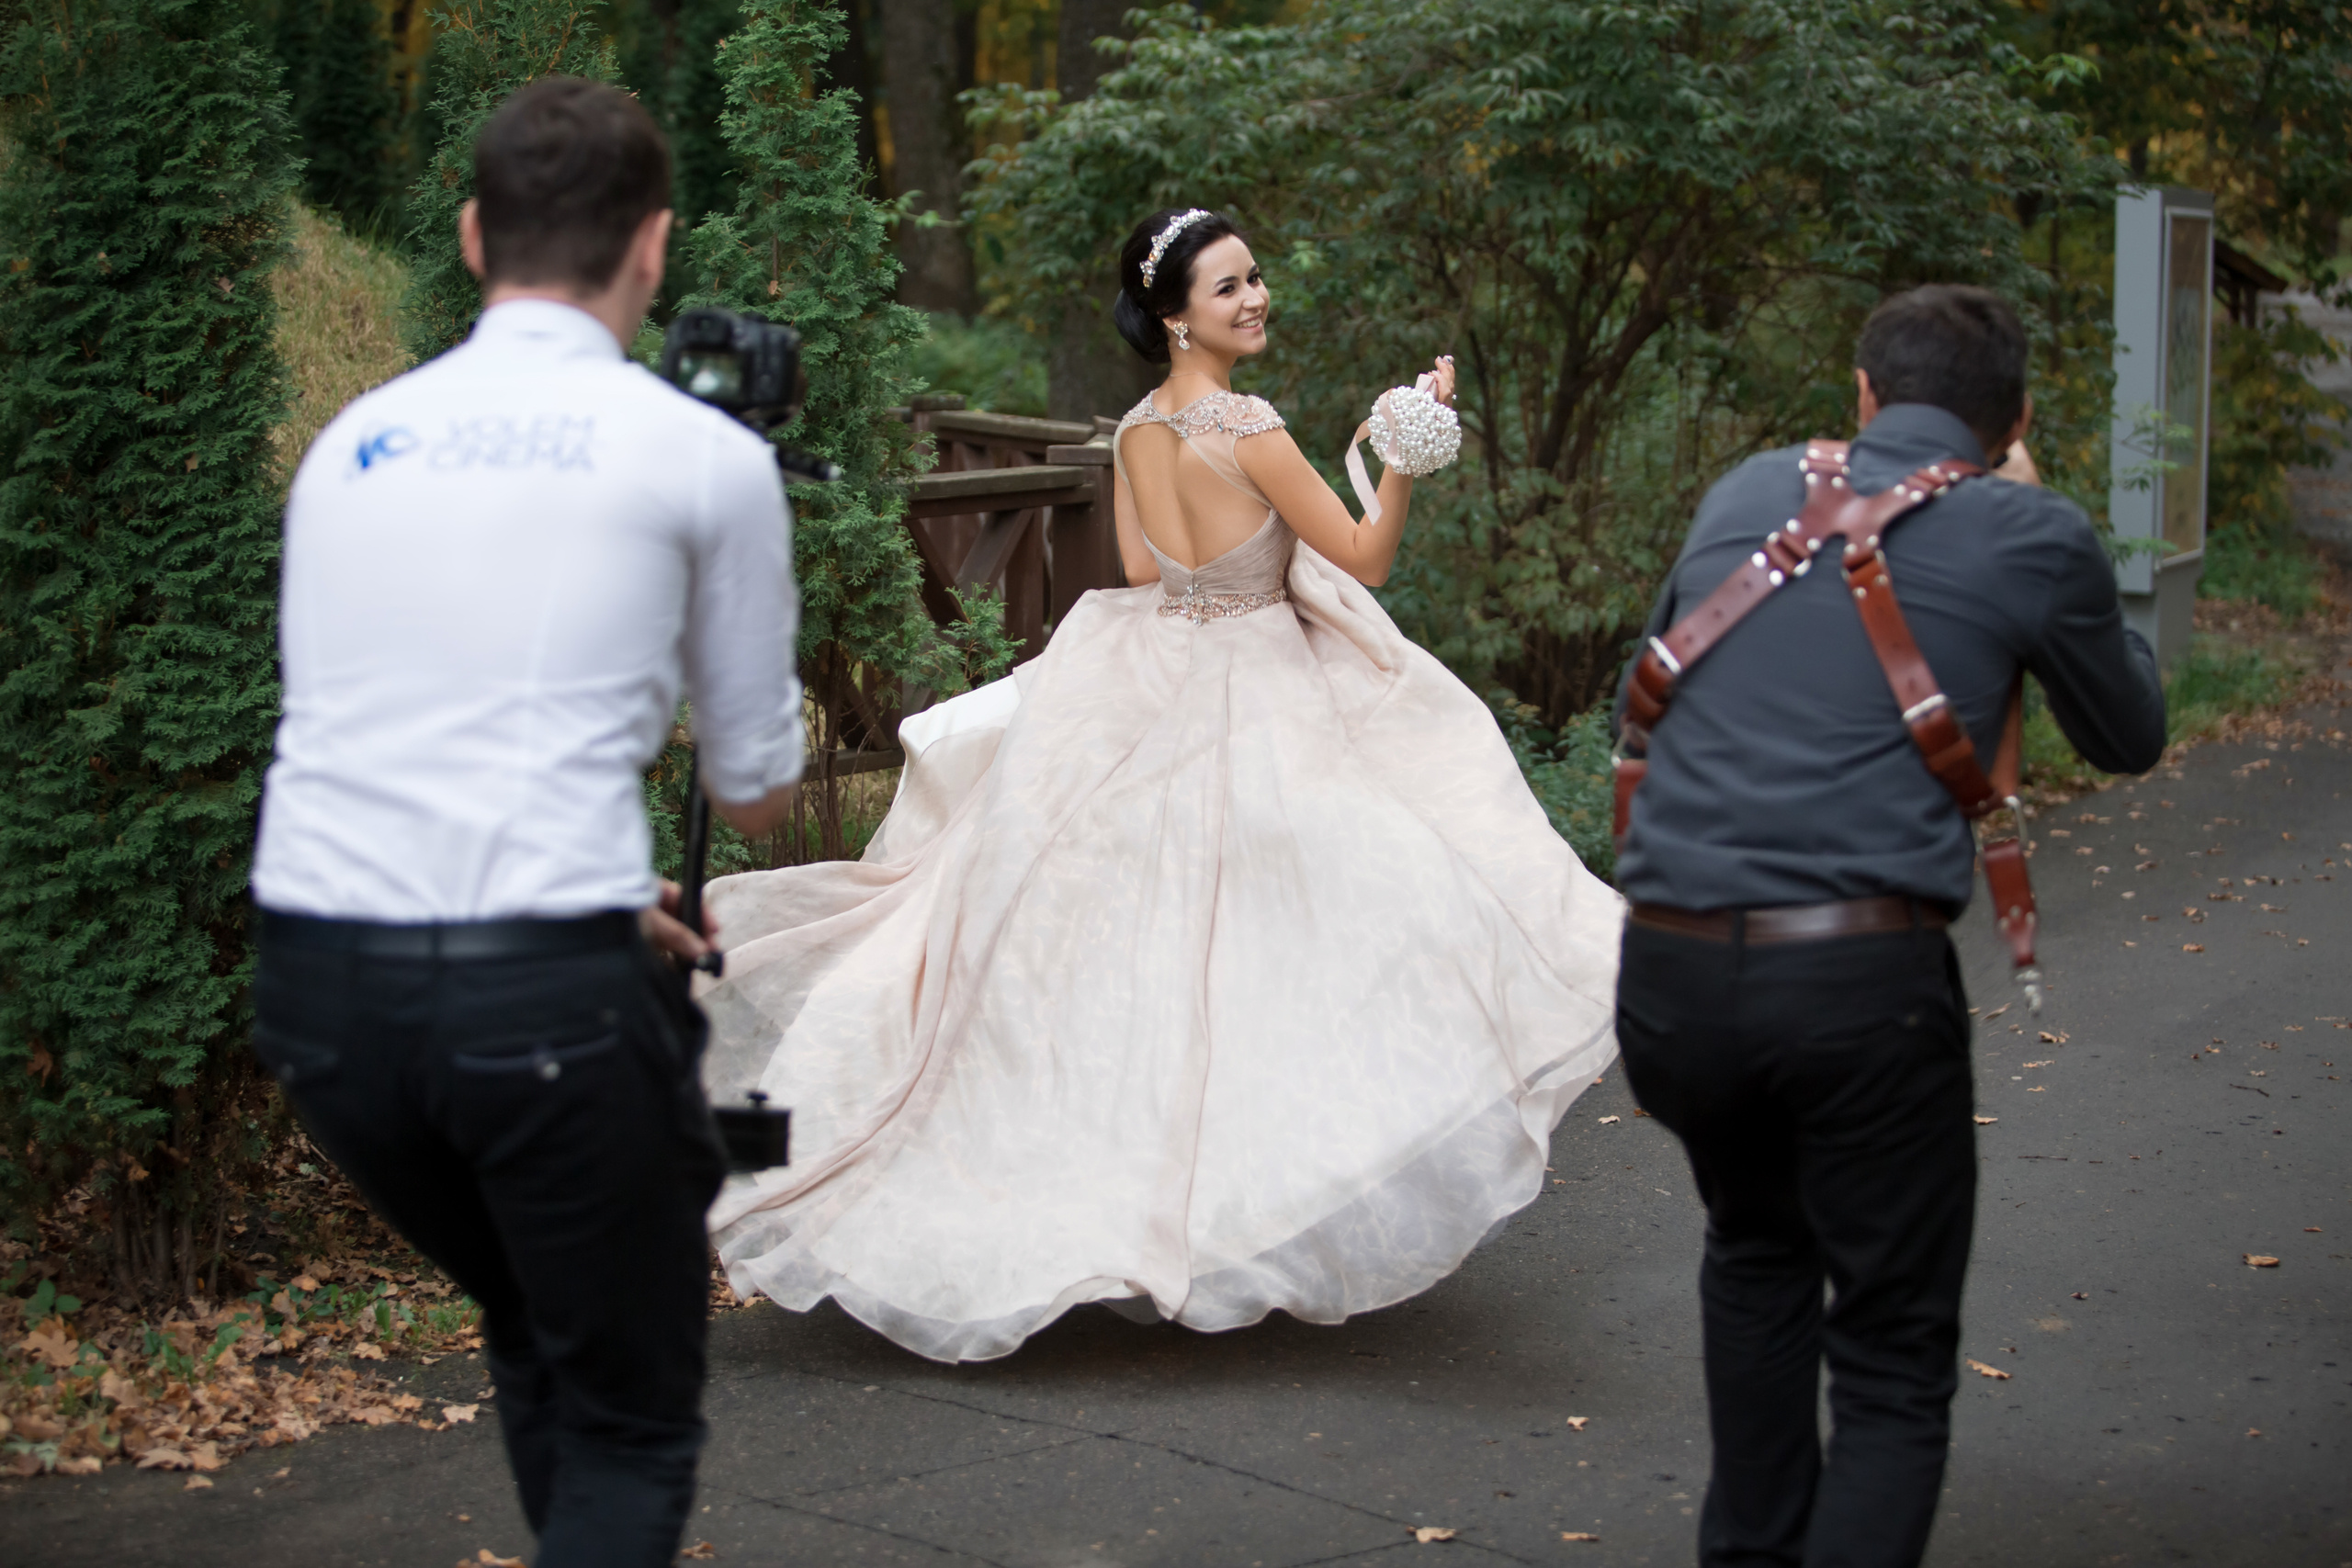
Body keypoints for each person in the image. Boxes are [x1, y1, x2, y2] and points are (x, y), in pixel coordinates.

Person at [689, 207, 1624, 1363]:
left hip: (1149, 673)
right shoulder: (1253, 425)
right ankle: (1241, 1205)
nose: (1255, 298)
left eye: (1256, 276)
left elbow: (1142, 569)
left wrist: (1249, 539)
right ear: (1176, 312)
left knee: (1141, 961)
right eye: (1229, 287)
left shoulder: (1136, 430)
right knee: (1307, 935)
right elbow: (1368, 557)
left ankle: (1123, 1198)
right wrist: (1402, 452)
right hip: (1254, 681)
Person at [249, 78, 803, 1566]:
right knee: (632, 1419)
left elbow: (379, 754)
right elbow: (755, 789)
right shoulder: (707, 458)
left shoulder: (352, 445)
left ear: (476, 232)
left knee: (540, 1317)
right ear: (656, 246)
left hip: (320, 1002)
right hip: (540, 1005)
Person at [1610, 285, 2166, 1568]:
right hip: (1860, 981)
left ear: (1861, 394)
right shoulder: (2030, 528)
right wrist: (2039, 525)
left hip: (1672, 968)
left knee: (1754, 1250)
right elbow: (2127, 732)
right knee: (1892, 1357)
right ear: (2015, 419)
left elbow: (1644, 681)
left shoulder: (1750, 489)